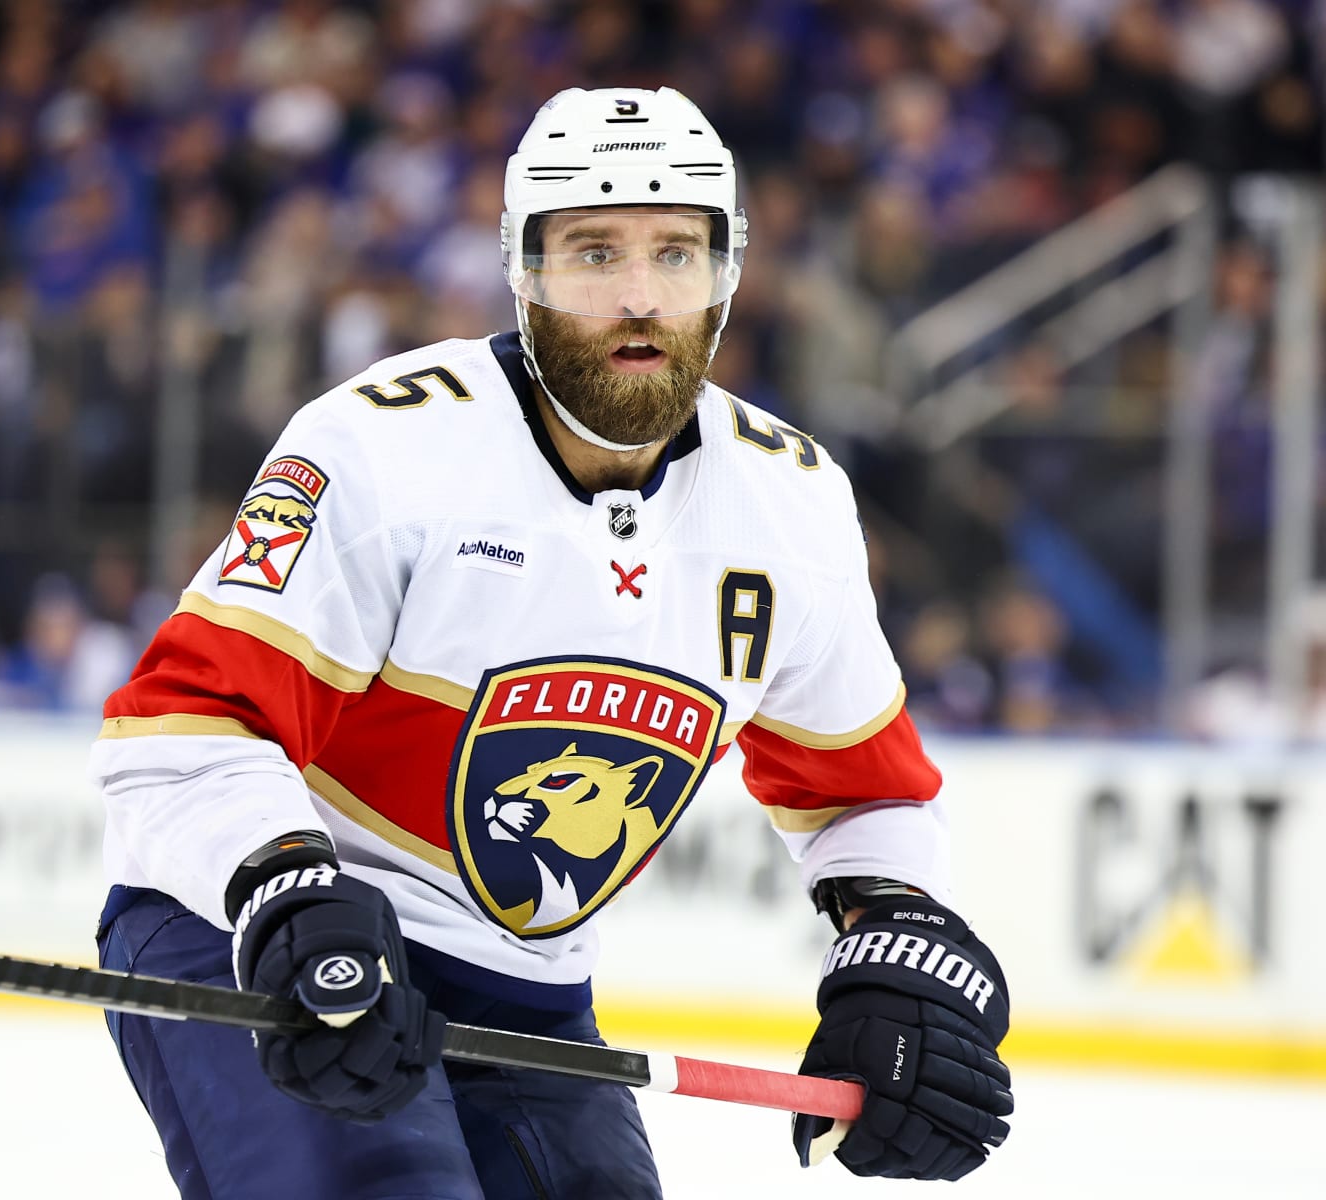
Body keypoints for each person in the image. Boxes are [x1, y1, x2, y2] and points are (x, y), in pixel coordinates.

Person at [93, 87, 1012, 1198]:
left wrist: (895, 948)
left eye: (677, 253)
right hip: (261, 935)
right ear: (522, 269)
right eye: (592, 251)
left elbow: (871, 794)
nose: (638, 297)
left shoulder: (792, 504)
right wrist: (288, 892)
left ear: (728, 277)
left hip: (526, 989)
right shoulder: (381, 448)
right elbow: (180, 729)